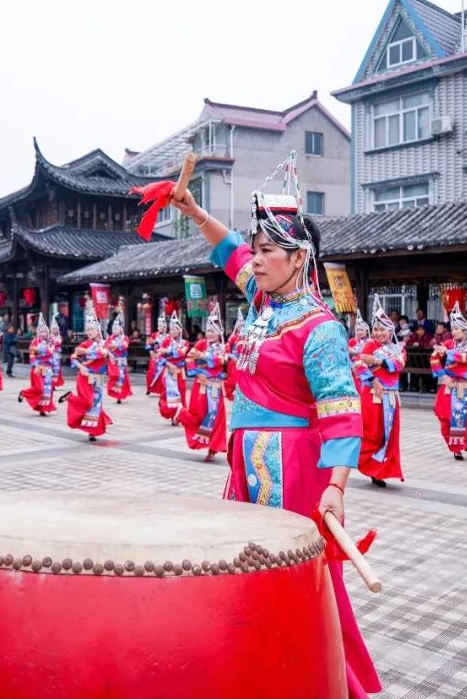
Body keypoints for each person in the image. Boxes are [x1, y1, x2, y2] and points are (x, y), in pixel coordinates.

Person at [170, 156, 378, 697]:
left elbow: (341, 411)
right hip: (249, 460)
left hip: (294, 468)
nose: (256, 261)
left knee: (295, 572)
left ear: (297, 257)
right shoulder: (262, 303)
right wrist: (194, 211)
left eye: (267, 252)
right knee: (247, 560)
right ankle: (256, 657)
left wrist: (335, 489)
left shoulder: (319, 326)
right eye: (257, 251)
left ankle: (311, 671)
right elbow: (228, 249)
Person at [357, 296, 406, 488]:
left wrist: (378, 362)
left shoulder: (398, 348)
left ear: (391, 330)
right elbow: (360, 364)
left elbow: (399, 364)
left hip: (391, 397)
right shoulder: (369, 345)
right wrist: (373, 380)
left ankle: (379, 470)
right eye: (375, 329)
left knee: (389, 435)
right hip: (372, 395)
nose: (378, 333)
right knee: (372, 433)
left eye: (382, 329)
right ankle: (363, 461)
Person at [179, 301, 229, 462]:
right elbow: (189, 358)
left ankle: (213, 448)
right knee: (198, 413)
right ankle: (185, 421)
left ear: (219, 332)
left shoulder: (223, 347)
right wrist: (198, 373)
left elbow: (221, 360)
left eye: (213, 331)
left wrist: (203, 357)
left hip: (214, 385)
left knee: (214, 415)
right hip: (200, 385)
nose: (210, 334)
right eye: (208, 330)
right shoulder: (201, 344)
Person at [430, 303, 467, 460]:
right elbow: (434, 358)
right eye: (452, 329)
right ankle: (453, 443)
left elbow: (466, 357)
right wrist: (442, 376)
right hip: (450, 385)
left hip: (466, 386)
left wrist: (448, 352)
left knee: (465, 418)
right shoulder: (447, 344)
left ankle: (459, 447)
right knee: (445, 415)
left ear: (465, 330)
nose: (453, 332)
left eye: (457, 329)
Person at [65, 304, 115, 442]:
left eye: (91, 329)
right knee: (88, 401)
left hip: (98, 376)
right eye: (87, 330)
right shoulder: (85, 343)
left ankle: (92, 431)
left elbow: (103, 354)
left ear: (98, 330)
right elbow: (73, 357)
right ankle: (70, 398)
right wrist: (81, 367)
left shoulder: (104, 343)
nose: (89, 332)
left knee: (96, 403)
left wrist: (87, 352)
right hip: (85, 376)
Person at [19, 314, 57, 416]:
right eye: (41, 331)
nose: (43, 333)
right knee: (39, 388)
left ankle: (43, 408)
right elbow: (32, 355)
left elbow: (51, 352)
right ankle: (24, 393)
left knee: (48, 388)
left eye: (45, 331)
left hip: (48, 367)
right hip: (37, 367)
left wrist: (39, 350)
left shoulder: (51, 341)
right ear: (38, 333)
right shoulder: (34, 342)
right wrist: (36, 365)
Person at [156, 312, 190, 424]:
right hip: (168, 371)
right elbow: (159, 356)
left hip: (180, 372)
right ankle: (171, 414)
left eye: (174, 329)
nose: (171, 332)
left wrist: (167, 351)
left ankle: (178, 416)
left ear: (179, 330)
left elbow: (181, 353)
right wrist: (169, 364)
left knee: (181, 393)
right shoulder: (166, 341)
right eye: (170, 329)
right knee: (168, 393)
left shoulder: (185, 343)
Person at [106, 305, 132, 404]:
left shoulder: (125, 337)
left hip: (121, 360)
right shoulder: (110, 337)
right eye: (113, 328)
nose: (114, 330)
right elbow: (106, 346)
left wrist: (115, 345)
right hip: (113, 360)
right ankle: (115, 392)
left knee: (121, 376)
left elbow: (124, 346)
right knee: (113, 376)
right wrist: (110, 351)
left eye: (116, 328)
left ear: (121, 329)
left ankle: (119, 395)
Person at [144, 309, 168, 396]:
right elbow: (148, 342)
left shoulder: (168, 336)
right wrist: (150, 351)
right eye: (158, 325)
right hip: (154, 356)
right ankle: (150, 388)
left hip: (163, 357)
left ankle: (161, 390)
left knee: (162, 375)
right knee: (151, 373)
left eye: (161, 326)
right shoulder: (154, 334)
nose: (159, 327)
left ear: (165, 327)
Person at [403, 323, 432, 393]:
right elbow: (407, 343)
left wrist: (420, 344)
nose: (420, 331)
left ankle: (426, 387)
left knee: (425, 369)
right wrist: (413, 344)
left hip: (425, 360)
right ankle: (413, 387)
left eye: (422, 330)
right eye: (419, 330)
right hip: (414, 360)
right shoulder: (414, 336)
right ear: (416, 331)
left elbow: (429, 344)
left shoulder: (427, 336)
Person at [50, 317, 66, 390]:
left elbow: (58, 342)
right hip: (50, 355)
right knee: (50, 369)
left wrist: (53, 343)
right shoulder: (49, 337)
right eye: (53, 329)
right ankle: (51, 384)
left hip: (57, 355)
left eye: (56, 329)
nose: (55, 330)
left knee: (56, 370)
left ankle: (54, 383)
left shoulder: (59, 337)